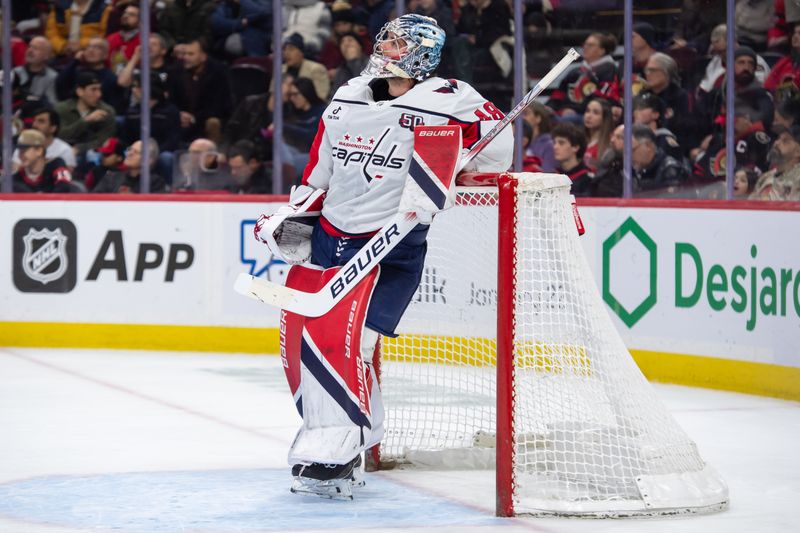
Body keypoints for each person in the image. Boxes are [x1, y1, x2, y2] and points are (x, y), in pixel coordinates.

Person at [253, 14, 512, 498]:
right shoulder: (351, 93)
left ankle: (341, 446)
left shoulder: (452, 100)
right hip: (332, 238)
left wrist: (455, 169)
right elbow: (319, 169)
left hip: (392, 243)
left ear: (420, 52)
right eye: (386, 38)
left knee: (358, 342)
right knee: (310, 343)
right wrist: (295, 217)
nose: (384, 45)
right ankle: (347, 434)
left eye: (396, 41)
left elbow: (498, 150)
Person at [55, 71, 117, 159]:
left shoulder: (106, 111)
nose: (99, 94)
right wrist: (86, 121)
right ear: (80, 91)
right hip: (62, 151)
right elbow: (59, 135)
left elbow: (104, 141)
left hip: (92, 154)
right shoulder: (62, 109)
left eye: (99, 89)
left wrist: (79, 149)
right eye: (93, 90)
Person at [630, 124, 690, 196]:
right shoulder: (635, 170)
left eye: (632, 150)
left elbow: (672, 202)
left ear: (648, 145)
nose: (629, 156)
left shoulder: (670, 170)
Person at [13, 107, 77, 172]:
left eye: (41, 121)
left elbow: (67, 177)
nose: (34, 125)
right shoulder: (22, 146)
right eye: (34, 121)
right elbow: (15, 172)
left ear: (53, 128)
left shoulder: (65, 150)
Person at [94, 139, 166, 193]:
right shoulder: (111, 177)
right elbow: (94, 200)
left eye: (136, 152)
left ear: (149, 160)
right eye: (130, 149)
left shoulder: (156, 183)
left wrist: (131, 199)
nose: (130, 153)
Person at [750, 125, 800, 200]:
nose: (776, 143)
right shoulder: (765, 177)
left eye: (786, 141)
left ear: (798, 152)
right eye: (778, 139)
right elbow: (751, 205)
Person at [12, 36, 58, 104]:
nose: (30, 51)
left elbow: (52, 103)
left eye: (36, 48)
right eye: (29, 47)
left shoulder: (52, 77)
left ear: (46, 56)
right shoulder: (15, 72)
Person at [551, 122, 593, 196]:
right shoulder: (551, 176)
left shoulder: (588, 179)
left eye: (561, 143)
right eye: (555, 143)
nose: (555, 147)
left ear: (575, 147)